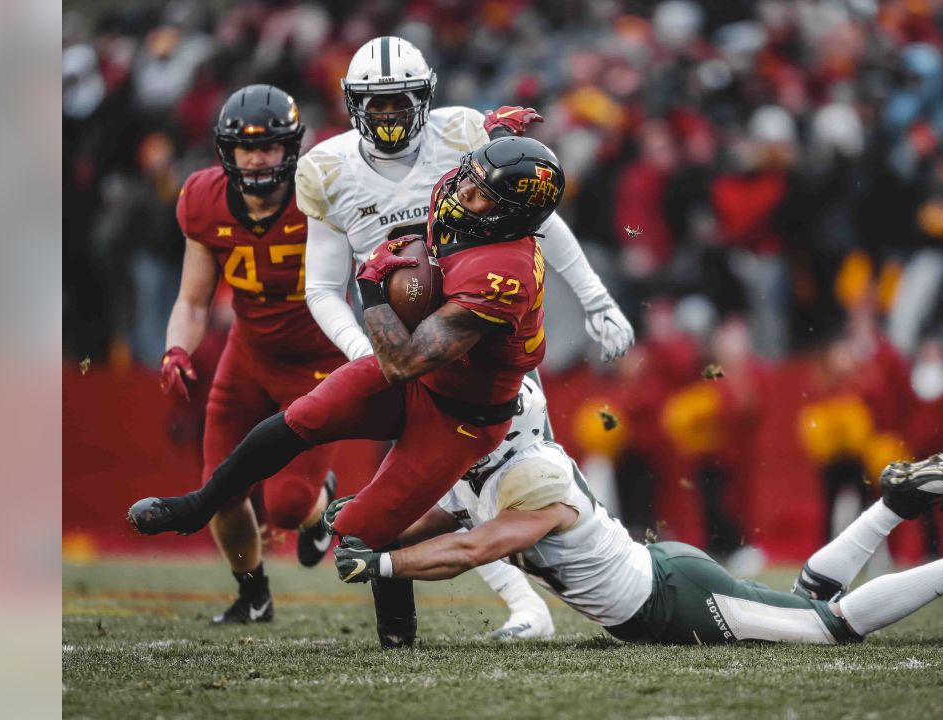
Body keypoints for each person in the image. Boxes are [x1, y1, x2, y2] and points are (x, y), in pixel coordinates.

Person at [128, 136, 570, 641]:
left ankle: (397, 638)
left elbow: (403, 361)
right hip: (423, 375)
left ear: (512, 215)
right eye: (466, 177)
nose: (460, 193)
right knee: (305, 415)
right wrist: (496, 137)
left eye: (478, 194)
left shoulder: (504, 272)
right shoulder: (477, 210)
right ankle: (198, 505)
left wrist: (373, 289)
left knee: (362, 533)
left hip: (458, 416)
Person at [292, 36, 636, 639]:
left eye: (402, 101)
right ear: (353, 105)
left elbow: (538, 220)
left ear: (424, 98)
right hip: (399, 349)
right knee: (424, 489)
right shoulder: (327, 167)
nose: (391, 116)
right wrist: (366, 356)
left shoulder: (463, 135)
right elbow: (321, 286)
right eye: (378, 104)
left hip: (477, 336)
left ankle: (521, 603)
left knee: (494, 472)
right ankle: (363, 562)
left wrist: (597, 298)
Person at [328, 379, 943, 645]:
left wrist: (383, 562)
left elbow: (474, 549)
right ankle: (895, 506)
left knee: (830, 628)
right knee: (804, 598)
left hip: (669, 602)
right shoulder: (484, 469)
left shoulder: (534, 481)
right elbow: (436, 519)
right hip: (664, 578)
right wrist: (357, 525)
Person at [160, 84, 346, 624]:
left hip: (318, 363)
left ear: (292, 148)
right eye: (247, 147)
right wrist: (176, 348)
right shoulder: (202, 199)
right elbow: (193, 302)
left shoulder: (325, 191)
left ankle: (320, 507)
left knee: (288, 504)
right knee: (219, 487)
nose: (258, 158)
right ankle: (253, 595)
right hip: (248, 355)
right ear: (227, 151)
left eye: (269, 146)